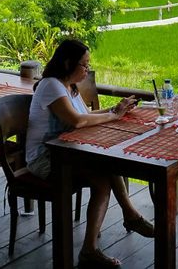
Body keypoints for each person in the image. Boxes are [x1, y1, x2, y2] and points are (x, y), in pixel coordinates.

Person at [25, 39, 153, 268]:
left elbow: (86, 115)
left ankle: (111, 231)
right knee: (104, 178)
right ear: (67, 62)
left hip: (67, 153)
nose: (87, 70)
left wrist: (117, 109)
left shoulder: (69, 86)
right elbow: (77, 121)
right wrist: (113, 116)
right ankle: (122, 222)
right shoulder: (52, 85)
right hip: (45, 158)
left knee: (108, 166)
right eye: (84, 65)